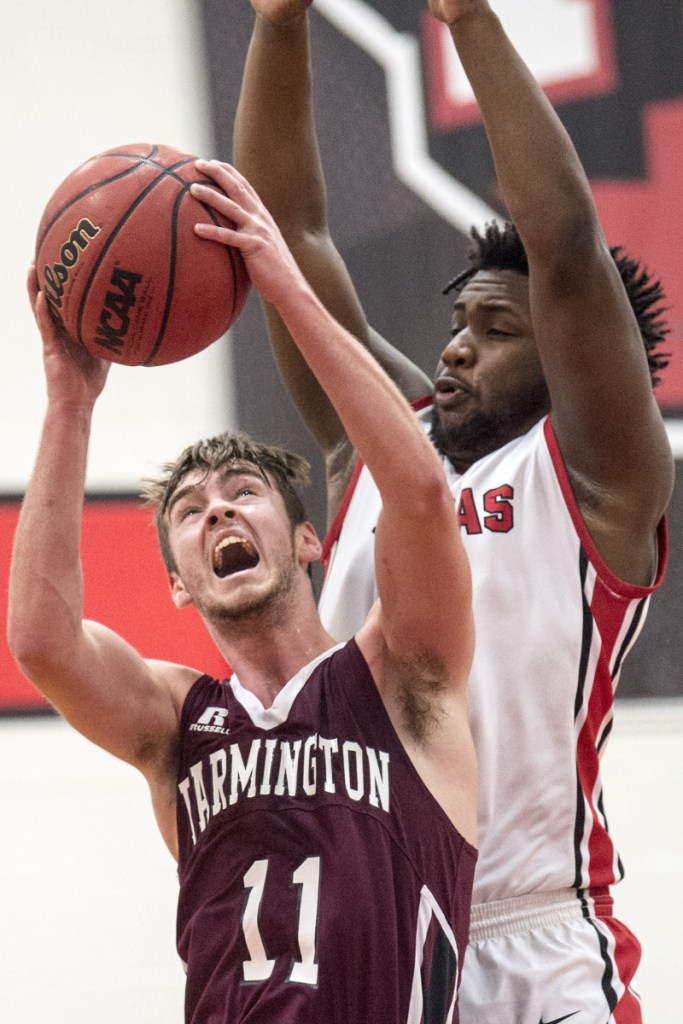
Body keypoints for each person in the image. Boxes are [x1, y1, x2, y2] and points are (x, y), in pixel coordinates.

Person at [232, 1, 674, 1021]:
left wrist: (467, 19)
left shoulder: (596, 479)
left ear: (563, 355)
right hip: (365, 933)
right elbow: (285, 245)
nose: (454, 348)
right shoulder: (374, 450)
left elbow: (566, 246)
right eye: (454, 322)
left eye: (494, 326)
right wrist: (276, 25)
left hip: (532, 943)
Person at [7, 161, 477, 1023]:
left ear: (308, 542)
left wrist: (283, 285)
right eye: (191, 510)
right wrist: (69, 402)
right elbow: (42, 641)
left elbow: (418, 496)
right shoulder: (177, 725)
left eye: (243, 491)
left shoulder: (400, 678)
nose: (217, 504)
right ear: (179, 586)